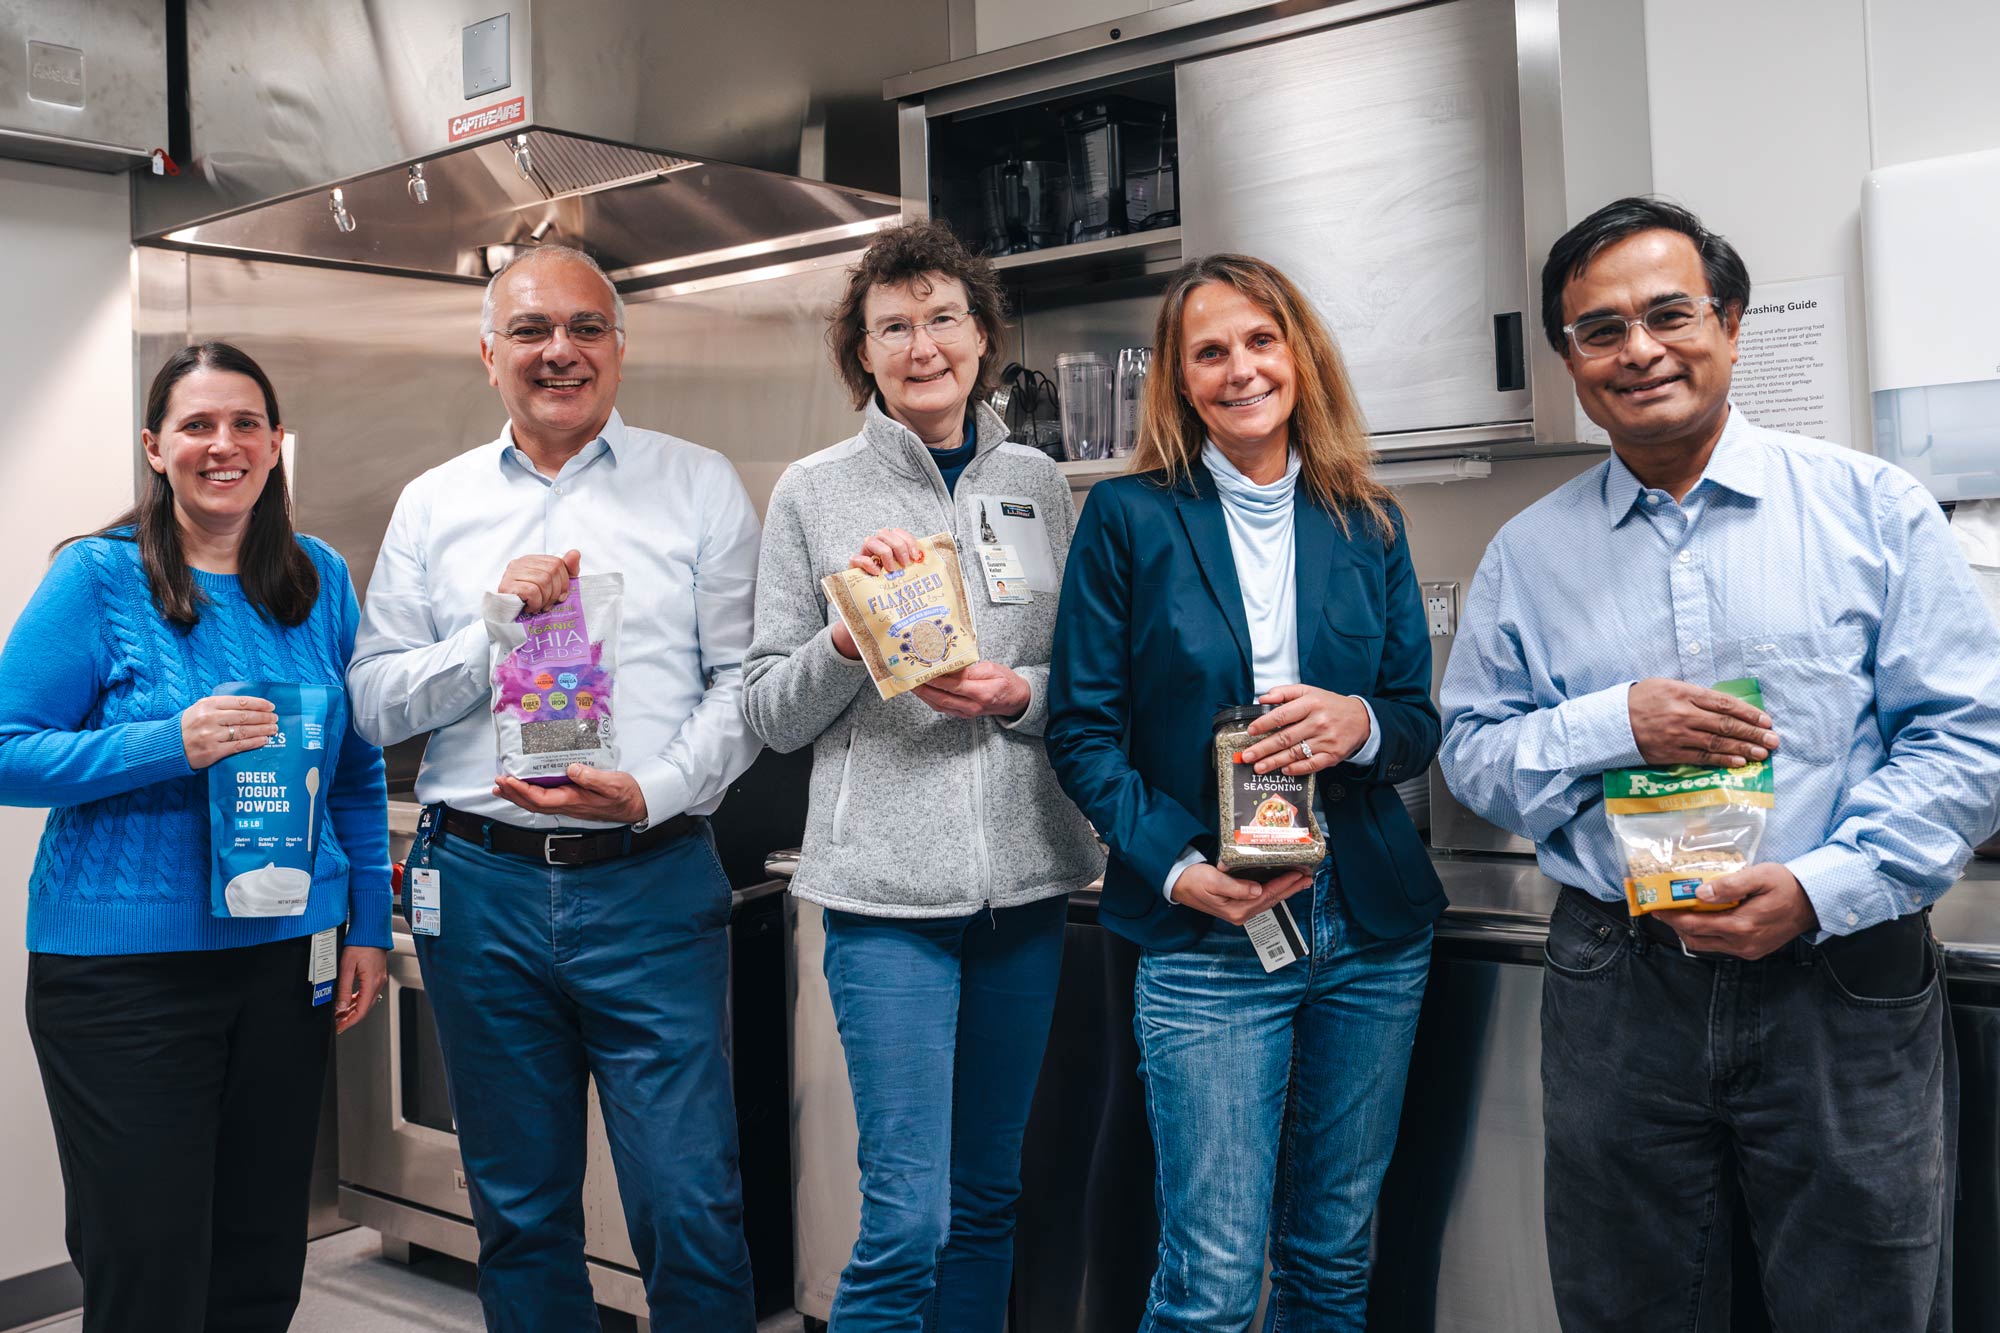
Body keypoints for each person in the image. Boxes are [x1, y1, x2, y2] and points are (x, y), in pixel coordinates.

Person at [1439, 196, 2000, 1330]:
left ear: (1728, 324)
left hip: (1839, 977)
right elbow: (1472, 754)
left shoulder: (1871, 509)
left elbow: (1967, 735)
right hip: (1619, 980)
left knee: (1863, 1302)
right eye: (1598, 330)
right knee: (1630, 1302)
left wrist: (1814, 887)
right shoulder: (1527, 556)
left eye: (1666, 314)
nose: (1636, 349)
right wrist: (1613, 724)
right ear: (1567, 359)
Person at [347, 244, 764, 1330]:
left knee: (689, 1203)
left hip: (650, 880)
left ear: (619, 349)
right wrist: (488, 638)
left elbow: (743, 686)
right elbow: (373, 702)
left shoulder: (699, 482)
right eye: (530, 330)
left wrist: (651, 790)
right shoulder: (432, 505)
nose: (558, 351)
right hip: (477, 890)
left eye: (585, 327)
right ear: (489, 355)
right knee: (521, 1213)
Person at [1046, 253, 1444, 1331]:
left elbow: (1413, 719)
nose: (1238, 370)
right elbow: (1079, 733)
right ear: (1178, 383)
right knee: (1209, 1281)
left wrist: (1357, 724)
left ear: (1298, 356)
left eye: (1258, 342)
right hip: (1209, 931)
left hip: (1365, 929)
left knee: (1330, 1259)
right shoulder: (1127, 519)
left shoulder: (1367, 519)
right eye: (1208, 352)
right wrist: (1177, 867)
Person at [742, 220, 1102, 1332]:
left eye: (942, 317)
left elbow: (1082, 677)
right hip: (884, 894)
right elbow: (766, 706)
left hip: (1027, 888)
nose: (921, 345)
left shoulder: (1039, 482)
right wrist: (848, 638)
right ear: (861, 352)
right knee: (905, 1213)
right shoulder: (813, 491)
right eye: (891, 326)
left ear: (982, 334)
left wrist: (1016, 694)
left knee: (989, 1198)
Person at [0, 342, 390, 1332]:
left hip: (282, 963)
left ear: (275, 443)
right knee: (148, 1260)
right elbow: (6, 749)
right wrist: (166, 743)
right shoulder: (98, 577)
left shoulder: (320, 579)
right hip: (123, 978)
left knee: (260, 1252)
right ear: (155, 446)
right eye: (198, 425)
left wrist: (368, 929)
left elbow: (355, 765)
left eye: (247, 423)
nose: (225, 445)